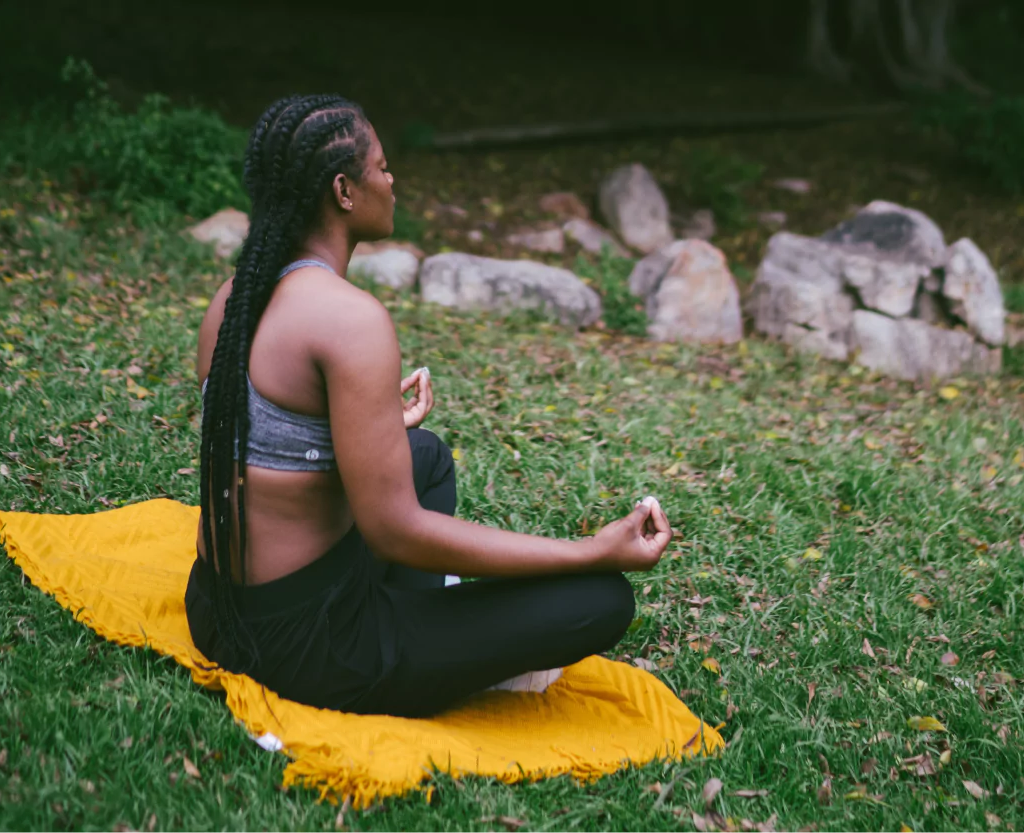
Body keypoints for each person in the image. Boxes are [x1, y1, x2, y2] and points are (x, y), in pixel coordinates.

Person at [184, 94, 673, 718]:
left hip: (217, 608)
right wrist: (592, 551)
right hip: (307, 648)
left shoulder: (235, 295)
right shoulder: (349, 319)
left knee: (426, 456)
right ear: (343, 191)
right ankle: (419, 656)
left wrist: (370, 426)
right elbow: (396, 534)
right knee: (602, 601)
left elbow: (255, 442)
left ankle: (425, 631)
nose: (392, 181)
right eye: (382, 167)